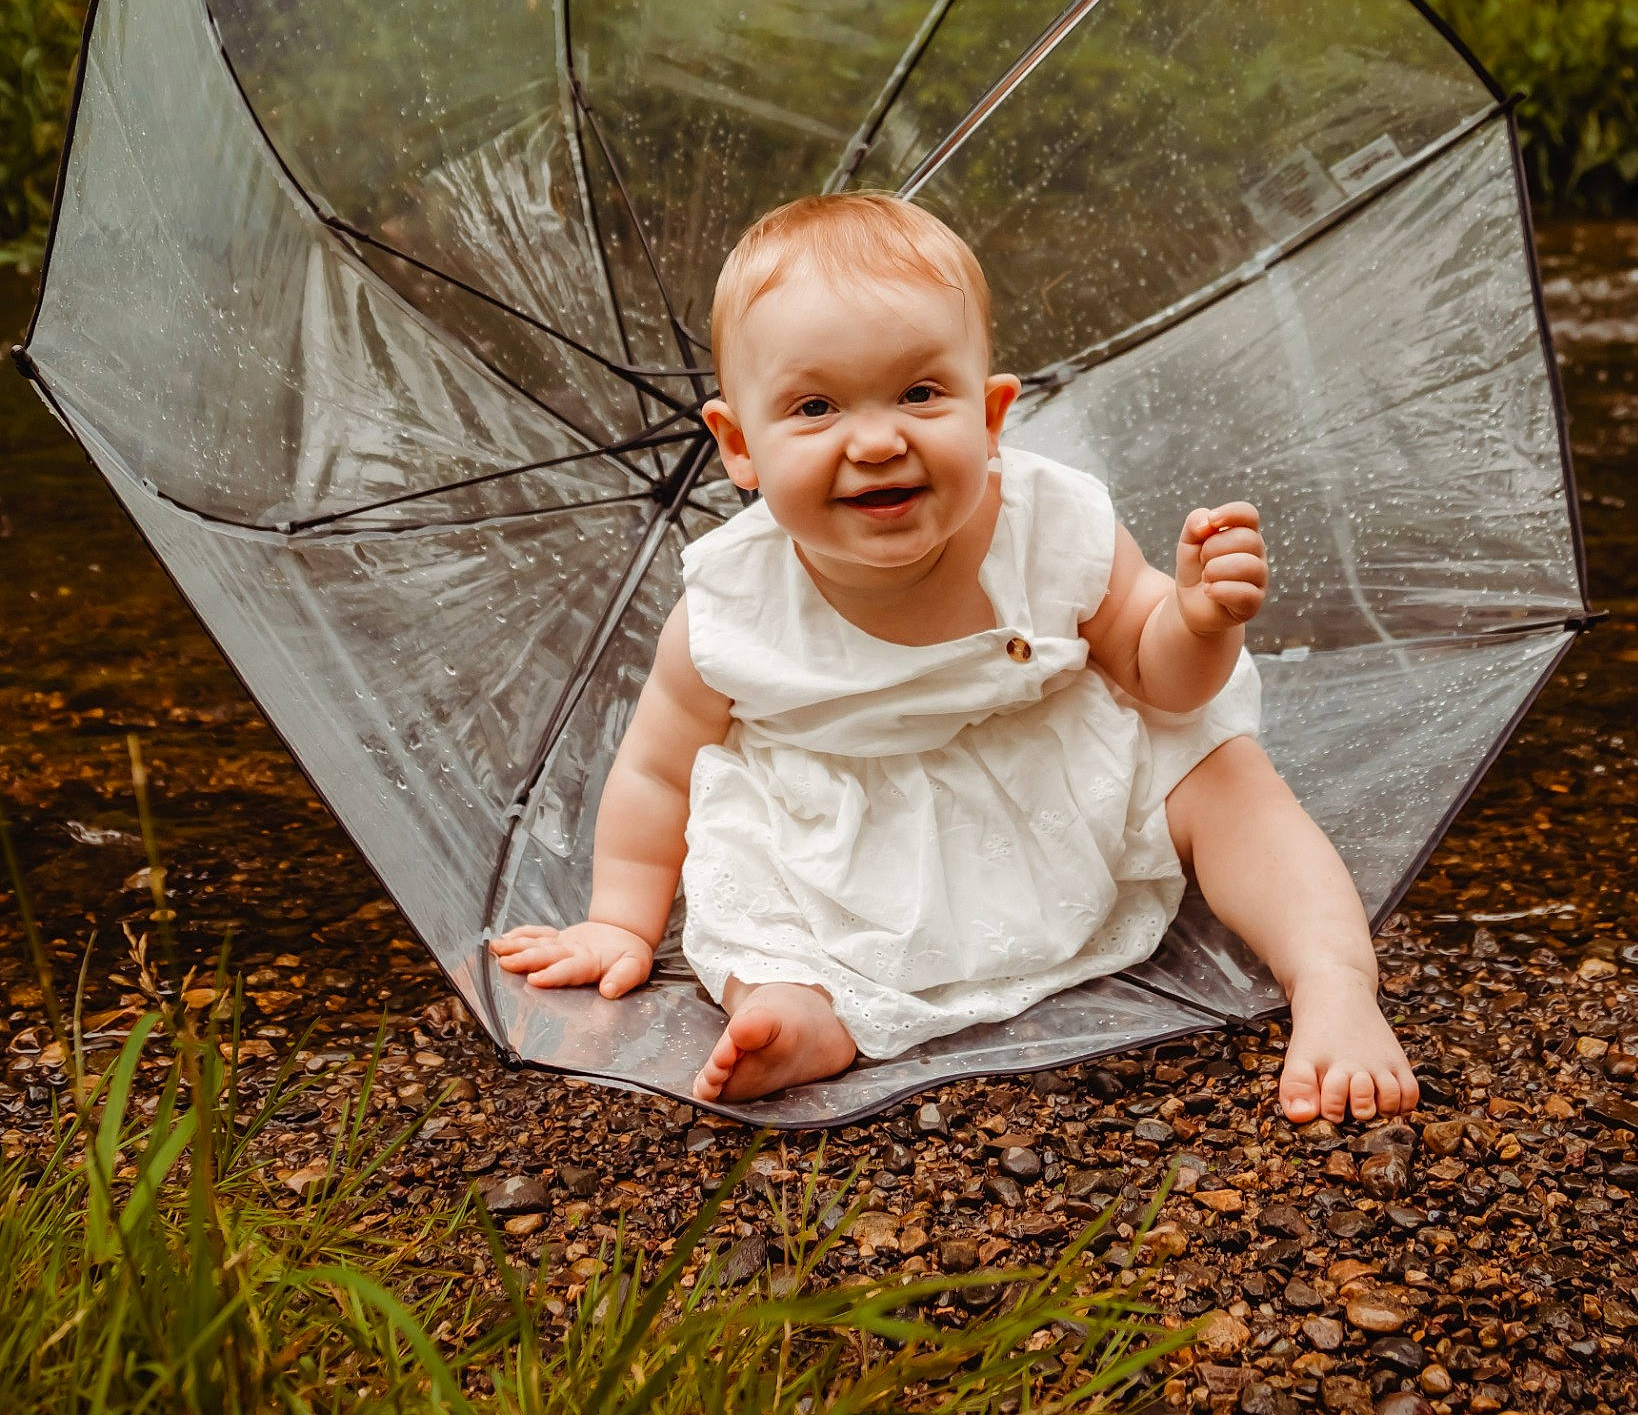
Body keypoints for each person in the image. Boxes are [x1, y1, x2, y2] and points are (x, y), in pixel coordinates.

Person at [491, 195, 1420, 1121]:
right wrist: (621, 921)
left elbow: (1155, 672)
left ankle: (1333, 981)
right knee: (749, 885)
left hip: (1059, 780)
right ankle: (804, 1017)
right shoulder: (729, 613)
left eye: (921, 393)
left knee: (1219, 765)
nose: (878, 438)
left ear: (991, 412)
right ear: (739, 445)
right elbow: (659, 775)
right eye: (815, 407)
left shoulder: (1052, 526)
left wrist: (1200, 620)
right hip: (847, 834)